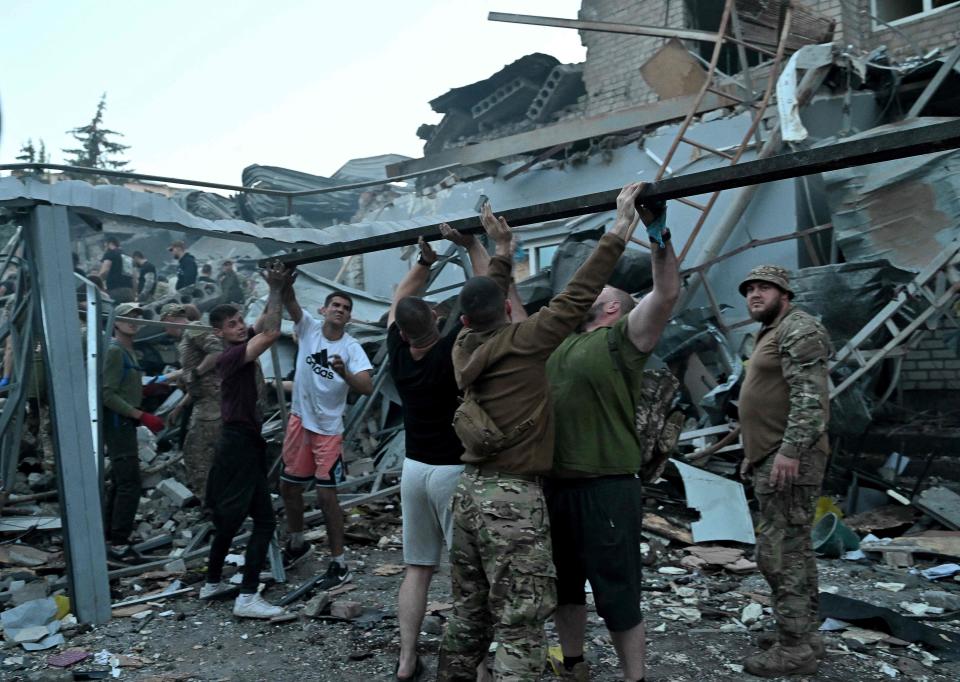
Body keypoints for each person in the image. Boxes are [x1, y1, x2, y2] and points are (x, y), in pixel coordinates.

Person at [437, 183, 645, 682]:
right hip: (512, 496)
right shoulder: (526, 342)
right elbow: (577, 295)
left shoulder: (463, 347)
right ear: (507, 310)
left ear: (464, 318)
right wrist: (618, 230)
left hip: (468, 494)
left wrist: (502, 254)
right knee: (522, 618)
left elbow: (488, 300)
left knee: (469, 609)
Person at [545, 201, 678, 682]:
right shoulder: (557, 341)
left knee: (618, 593)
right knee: (563, 589)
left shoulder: (624, 338)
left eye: (595, 288)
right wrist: (491, 249)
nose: (582, 289)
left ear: (614, 305)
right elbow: (510, 308)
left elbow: (665, 293)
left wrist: (657, 231)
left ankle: (633, 677)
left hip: (606, 488)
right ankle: (574, 664)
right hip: (556, 486)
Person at [387, 225, 492, 682]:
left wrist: (425, 263)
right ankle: (483, 664)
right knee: (470, 573)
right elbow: (491, 293)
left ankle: (407, 659)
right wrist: (473, 246)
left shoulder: (396, 348)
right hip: (452, 471)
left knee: (417, 568)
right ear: (434, 320)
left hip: (413, 469)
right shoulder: (450, 349)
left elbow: (399, 300)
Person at [737, 265, 830, 677]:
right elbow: (768, 397)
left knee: (780, 554)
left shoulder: (800, 329)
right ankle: (805, 636)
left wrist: (789, 452)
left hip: (789, 458)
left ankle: (793, 649)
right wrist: (752, 452)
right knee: (796, 548)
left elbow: (810, 398)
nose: (755, 295)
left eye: (764, 288)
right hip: (771, 454)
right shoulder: (772, 330)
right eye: (750, 289)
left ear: (785, 294)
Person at [198, 260, 292, 618]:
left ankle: (212, 582)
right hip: (238, 444)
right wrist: (277, 290)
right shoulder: (231, 356)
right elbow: (269, 335)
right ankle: (247, 596)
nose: (240, 328)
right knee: (262, 522)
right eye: (232, 325)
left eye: (240, 322)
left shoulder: (239, 343)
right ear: (219, 333)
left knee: (236, 520)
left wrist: (274, 289)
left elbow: (263, 323)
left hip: (242, 443)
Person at [279, 285, 373, 588]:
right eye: (335, 304)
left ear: (349, 316)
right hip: (300, 421)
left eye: (345, 307)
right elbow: (291, 302)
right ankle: (297, 543)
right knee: (289, 487)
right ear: (323, 310)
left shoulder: (351, 347)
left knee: (326, 496)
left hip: (328, 430)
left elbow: (367, 386)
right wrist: (284, 282)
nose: (340, 310)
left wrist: (344, 372)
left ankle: (338, 561)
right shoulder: (308, 328)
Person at [102, 301, 164, 563]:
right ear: (115, 322)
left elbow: (124, 385)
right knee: (129, 482)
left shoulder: (130, 350)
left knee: (120, 479)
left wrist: (144, 391)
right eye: (128, 317)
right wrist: (140, 414)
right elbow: (106, 392)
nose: (134, 321)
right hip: (119, 423)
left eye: (137, 317)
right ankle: (118, 542)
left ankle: (109, 535)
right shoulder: (115, 351)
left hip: (125, 421)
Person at [177, 307, 224, 498]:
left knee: (196, 453)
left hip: (211, 402)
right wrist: (180, 406)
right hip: (203, 400)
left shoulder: (193, 328)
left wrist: (197, 372)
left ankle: (211, 500)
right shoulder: (184, 339)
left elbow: (216, 350)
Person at [100, 237, 135, 301]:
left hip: (115, 290)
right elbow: (134, 277)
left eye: (105, 246)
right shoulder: (128, 257)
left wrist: (98, 282)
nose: (105, 249)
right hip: (129, 291)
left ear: (110, 244)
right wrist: (134, 293)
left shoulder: (110, 253)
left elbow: (104, 271)